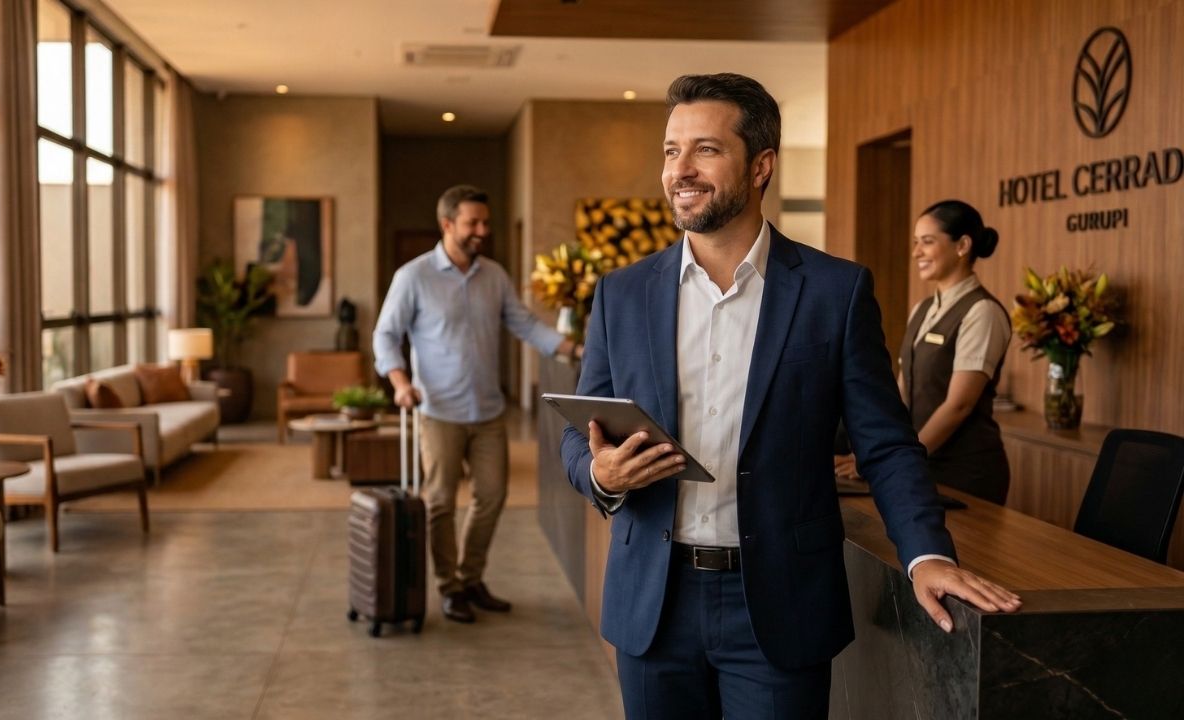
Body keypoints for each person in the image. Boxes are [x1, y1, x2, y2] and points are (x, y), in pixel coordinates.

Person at [558, 73, 1020, 719]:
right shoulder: (622, 293)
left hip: (779, 603)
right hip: (652, 605)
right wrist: (600, 475)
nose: (680, 170)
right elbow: (579, 432)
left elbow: (887, 445)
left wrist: (926, 555)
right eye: (671, 150)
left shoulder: (836, 292)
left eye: (706, 150)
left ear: (761, 166)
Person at [374, 184, 582, 624]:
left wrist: (575, 350)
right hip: (438, 411)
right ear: (447, 224)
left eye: (485, 223)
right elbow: (386, 335)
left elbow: (525, 324)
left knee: (492, 496)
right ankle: (448, 587)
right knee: (440, 502)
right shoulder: (414, 276)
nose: (482, 231)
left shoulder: (494, 276)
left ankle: (470, 578)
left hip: (488, 411)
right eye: (473, 223)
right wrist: (399, 382)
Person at [837, 201, 1012, 504]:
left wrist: (900, 458)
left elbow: (959, 405)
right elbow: (902, 391)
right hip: (919, 463)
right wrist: (876, 452)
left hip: (964, 472)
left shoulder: (982, 311)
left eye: (927, 242)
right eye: (916, 242)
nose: (916, 252)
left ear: (963, 245)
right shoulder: (922, 309)